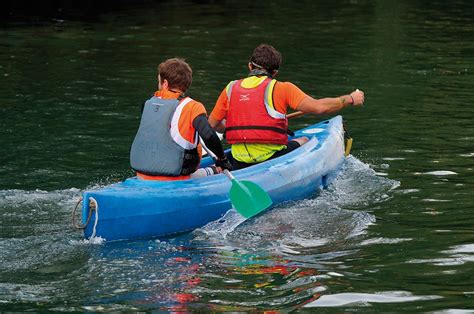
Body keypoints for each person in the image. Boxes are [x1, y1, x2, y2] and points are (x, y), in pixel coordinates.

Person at [208, 44, 365, 170]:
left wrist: (233, 127)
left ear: (249, 66)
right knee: (304, 140)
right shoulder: (282, 88)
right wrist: (350, 98)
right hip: (270, 159)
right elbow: (319, 107)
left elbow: (213, 125)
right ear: (275, 72)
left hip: (239, 160)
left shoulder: (230, 88)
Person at [130, 58, 232, 180]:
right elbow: (209, 136)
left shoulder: (147, 104)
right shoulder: (193, 107)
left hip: (142, 176)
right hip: (177, 178)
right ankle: (215, 170)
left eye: (159, 82)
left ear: (165, 84)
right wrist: (222, 159)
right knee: (218, 168)